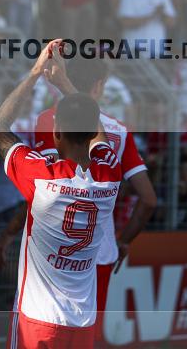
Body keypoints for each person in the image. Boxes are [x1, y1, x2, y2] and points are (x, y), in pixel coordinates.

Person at [0, 41, 121, 348]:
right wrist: (64, 83)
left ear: (56, 132)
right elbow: (98, 133)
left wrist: (36, 73)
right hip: (82, 320)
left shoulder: (40, 176)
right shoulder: (108, 175)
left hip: (38, 319)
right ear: (91, 135)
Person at [31, 58, 156, 337]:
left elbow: (42, 185)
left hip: (52, 251)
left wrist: (11, 231)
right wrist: (122, 240)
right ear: (98, 86)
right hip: (99, 252)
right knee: (85, 337)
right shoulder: (117, 130)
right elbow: (148, 199)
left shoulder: (47, 120)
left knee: (44, 332)